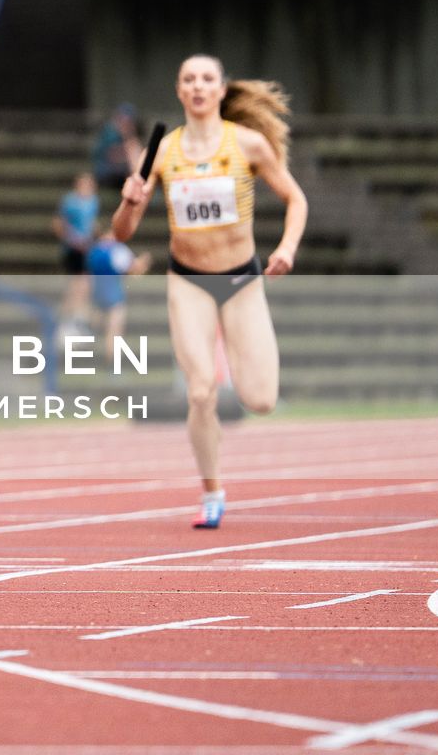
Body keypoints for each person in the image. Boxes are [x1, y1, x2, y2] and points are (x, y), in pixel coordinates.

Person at [110, 54, 308, 529]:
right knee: (200, 392)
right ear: (180, 91)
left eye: (206, 79)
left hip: (240, 280)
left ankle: (233, 407)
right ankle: (212, 491)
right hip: (188, 281)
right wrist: (129, 203)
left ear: (221, 90)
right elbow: (121, 233)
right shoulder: (162, 151)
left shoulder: (248, 144)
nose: (197, 86)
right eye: (189, 80)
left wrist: (286, 248)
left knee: (260, 399)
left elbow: (295, 199)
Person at [85, 229, 150, 362]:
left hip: (96, 296)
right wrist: (144, 261)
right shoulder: (117, 251)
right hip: (114, 297)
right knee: (114, 332)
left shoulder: (93, 252)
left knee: (94, 330)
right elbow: (134, 270)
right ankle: (112, 365)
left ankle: (90, 360)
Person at [52, 172, 99, 329]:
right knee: (77, 285)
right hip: (74, 249)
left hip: (87, 248)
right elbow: (58, 224)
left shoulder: (93, 201)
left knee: (85, 284)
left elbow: (91, 224)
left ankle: (76, 319)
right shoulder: (70, 201)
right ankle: (66, 321)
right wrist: (73, 240)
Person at [92, 103, 142, 191]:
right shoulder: (110, 132)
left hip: (121, 173)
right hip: (106, 172)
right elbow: (113, 156)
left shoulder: (128, 134)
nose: (126, 123)